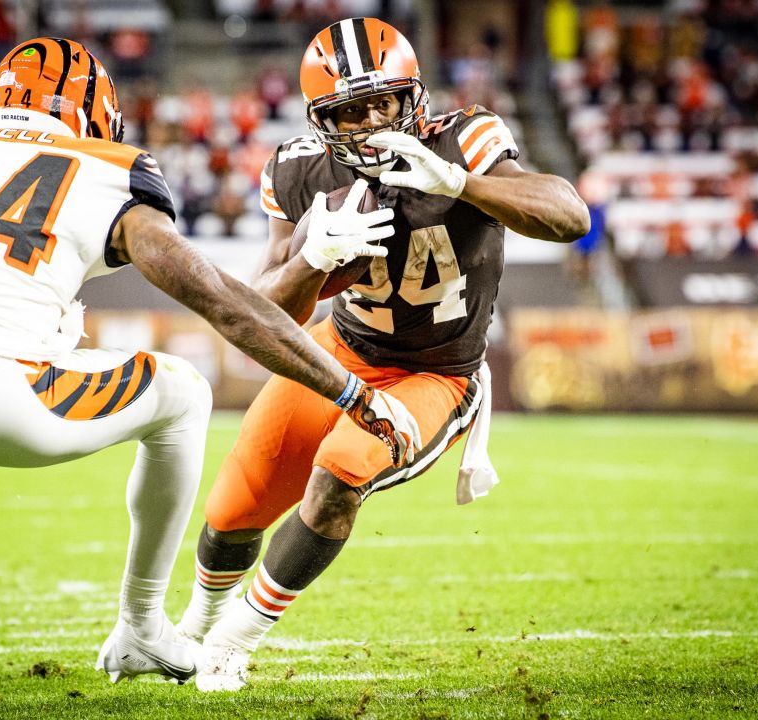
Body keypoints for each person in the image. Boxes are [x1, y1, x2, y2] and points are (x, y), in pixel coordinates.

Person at [0, 37, 423, 686]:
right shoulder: (106, 167)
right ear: (86, 110)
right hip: (12, 399)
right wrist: (351, 394)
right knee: (185, 393)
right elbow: (220, 301)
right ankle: (140, 626)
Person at [173, 18, 591, 691]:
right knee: (232, 507)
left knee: (342, 470)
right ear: (320, 119)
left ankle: (232, 641)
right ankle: (189, 629)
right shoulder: (298, 168)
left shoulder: (468, 138)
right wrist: (311, 260)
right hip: (340, 350)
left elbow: (570, 216)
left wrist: (460, 183)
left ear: (413, 97)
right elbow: (265, 314)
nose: (369, 121)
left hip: (436, 371)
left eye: (383, 102)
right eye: (348, 110)